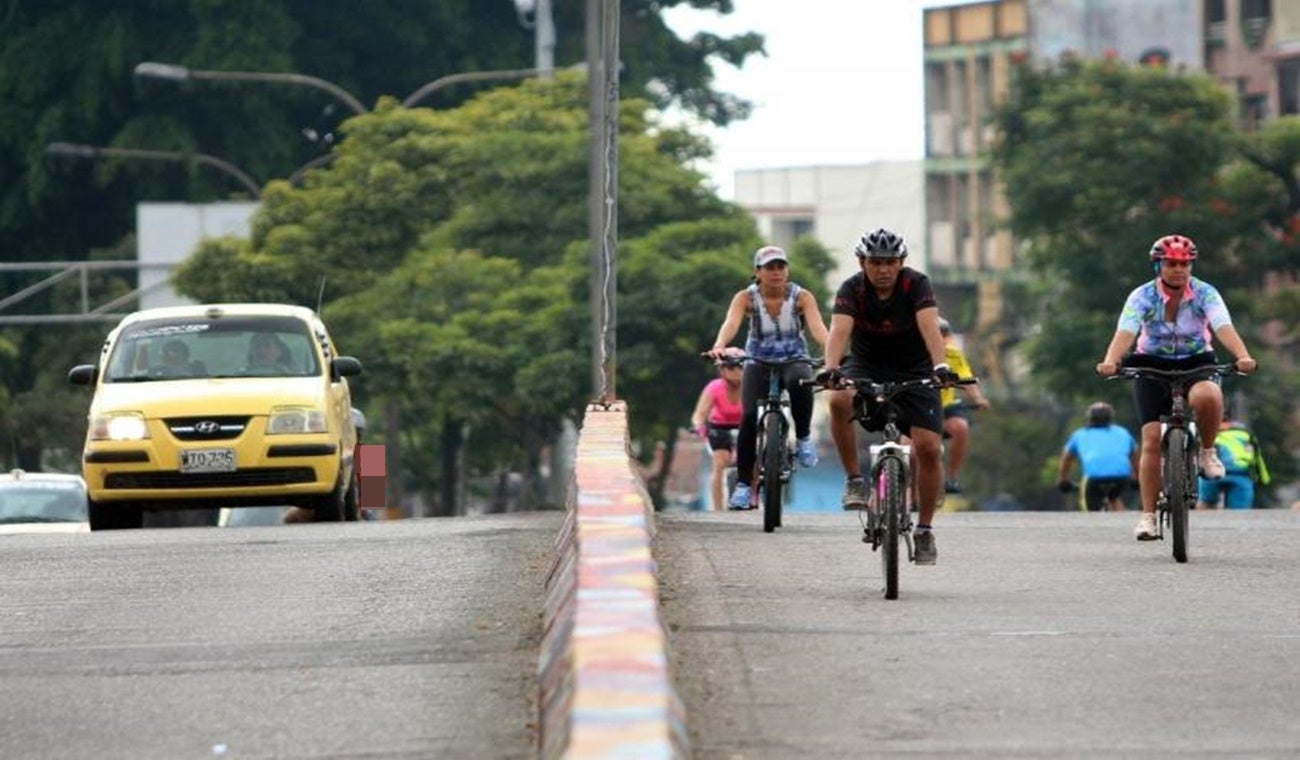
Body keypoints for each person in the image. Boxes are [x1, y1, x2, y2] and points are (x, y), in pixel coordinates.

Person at [1095, 234, 1257, 539]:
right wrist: (1110, 361)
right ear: (1158, 265)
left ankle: (1207, 452)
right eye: (1171, 264)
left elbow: (1223, 326)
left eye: (1185, 264)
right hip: (1151, 363)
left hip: (1197, 361)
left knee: (1209, 395)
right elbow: (1126, 331)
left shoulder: (1206, 293)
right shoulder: (1142, 296)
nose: (1179, 270)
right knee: (1152, 439)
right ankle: (1147, 517)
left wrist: (1243, 356)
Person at [816, 228, 956, 565]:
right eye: (876, 262)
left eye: (890, 262)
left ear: (901, 262)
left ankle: (923, 529)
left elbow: (929, 328)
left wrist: (939, 365)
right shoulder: (851, 289)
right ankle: (854, 480)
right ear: (862, 262)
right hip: (867, 364)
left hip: (916, 367)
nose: (883, 269)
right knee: (836, 400)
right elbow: (839, 331)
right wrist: (830, 368)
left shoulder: (916, 284)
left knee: (927, 448)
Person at [707, 245, 830, 510]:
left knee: (801, 381)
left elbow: (819, 328)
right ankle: (743, 485)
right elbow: (731, 323)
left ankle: (804, 439)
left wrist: (834, 354)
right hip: (757, 361)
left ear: (787, 270)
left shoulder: (801, 297)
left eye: (780, 267)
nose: (776, 272)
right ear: (758, 272)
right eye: (769, 268)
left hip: (793, 359)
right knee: (749, 416)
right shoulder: (746, 298)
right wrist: (720, 345)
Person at [937, 317, 990, 494]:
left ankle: (951, 477)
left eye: (945, 335)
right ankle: (910, 495)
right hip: (919, 407)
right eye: (937, 335)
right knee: (912, 452)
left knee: (961, 427)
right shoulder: (914, 352)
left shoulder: (953, 354)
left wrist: (978, 398)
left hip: (945, 407)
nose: (942, 340)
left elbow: (966, 378)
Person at [1056, 402, 1139, 512]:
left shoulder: (1080, 434)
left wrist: (1063, 480)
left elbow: (1066, 460)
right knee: (1113, 497)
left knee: (1090, 510)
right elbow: (1135, 458)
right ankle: (1122, 519)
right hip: (1121, 477)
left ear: (1089, 418)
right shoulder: (1123, 432)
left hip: (1093, 478)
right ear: (1111, 418)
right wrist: (1136, 478)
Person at [689, 357, 745, 511]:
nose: (736, 371)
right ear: (722, 370)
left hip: (745, 425)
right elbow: (699, 414)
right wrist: (699, 426)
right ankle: (717, 509)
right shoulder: (714, 387)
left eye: (741, 367)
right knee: (719, 463)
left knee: (752, 462)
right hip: (719, 426)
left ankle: (751, 497)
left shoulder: (751, 387)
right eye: (731, 367)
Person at [1196, 410, 1269, 510]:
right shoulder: (1245, 433)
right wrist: (1263, 479)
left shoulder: (1206, 432)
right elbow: (1257, 458)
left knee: (1206, 505)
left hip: (1210, 473)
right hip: (1241, 475)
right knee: (1238, 513)